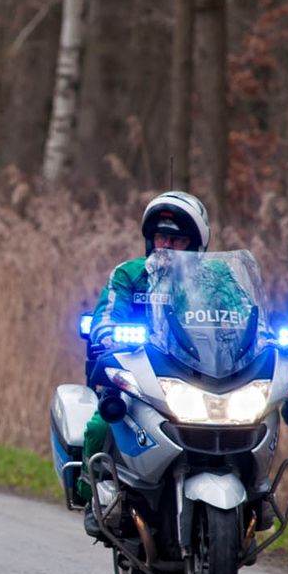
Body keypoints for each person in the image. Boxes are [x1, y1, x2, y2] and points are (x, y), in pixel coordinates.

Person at [79, 191, 211, 535]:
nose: (167, 246)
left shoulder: (215, 282)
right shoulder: (129, 274)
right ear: (150, 239)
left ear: (195, 244)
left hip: (203, 376)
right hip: (138, 373)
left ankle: (257, 494)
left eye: (177, 239)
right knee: (99, 425)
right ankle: (93, 494)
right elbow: (107, 314)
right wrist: (108, 333)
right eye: (161, 237)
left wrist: (267, 339)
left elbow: (247, 317)